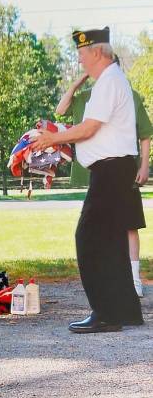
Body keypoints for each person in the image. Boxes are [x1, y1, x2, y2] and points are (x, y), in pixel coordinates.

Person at [31, 26, 143, 333]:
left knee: (88, 238)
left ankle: (104, 313)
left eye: (81, 54)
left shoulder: (108, 81)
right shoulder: (111, 80)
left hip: (110, 171)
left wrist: (52, 139)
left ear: (96, 52)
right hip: (115, 169)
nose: (80, 60)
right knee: (112, 241)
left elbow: (90, 128)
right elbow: (91, 130)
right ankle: (125, 311)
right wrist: (63, 137)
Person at [56, 64, 153, 298]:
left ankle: (134, 280)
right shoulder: (86, 97)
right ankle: (112, 283)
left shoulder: (130, 96)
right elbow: (60, 111)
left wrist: (143, 166)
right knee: (101, 227)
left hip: (122, 167)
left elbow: (145, 134)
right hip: (98, 171)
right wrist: (79, 81)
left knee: (128, 223)